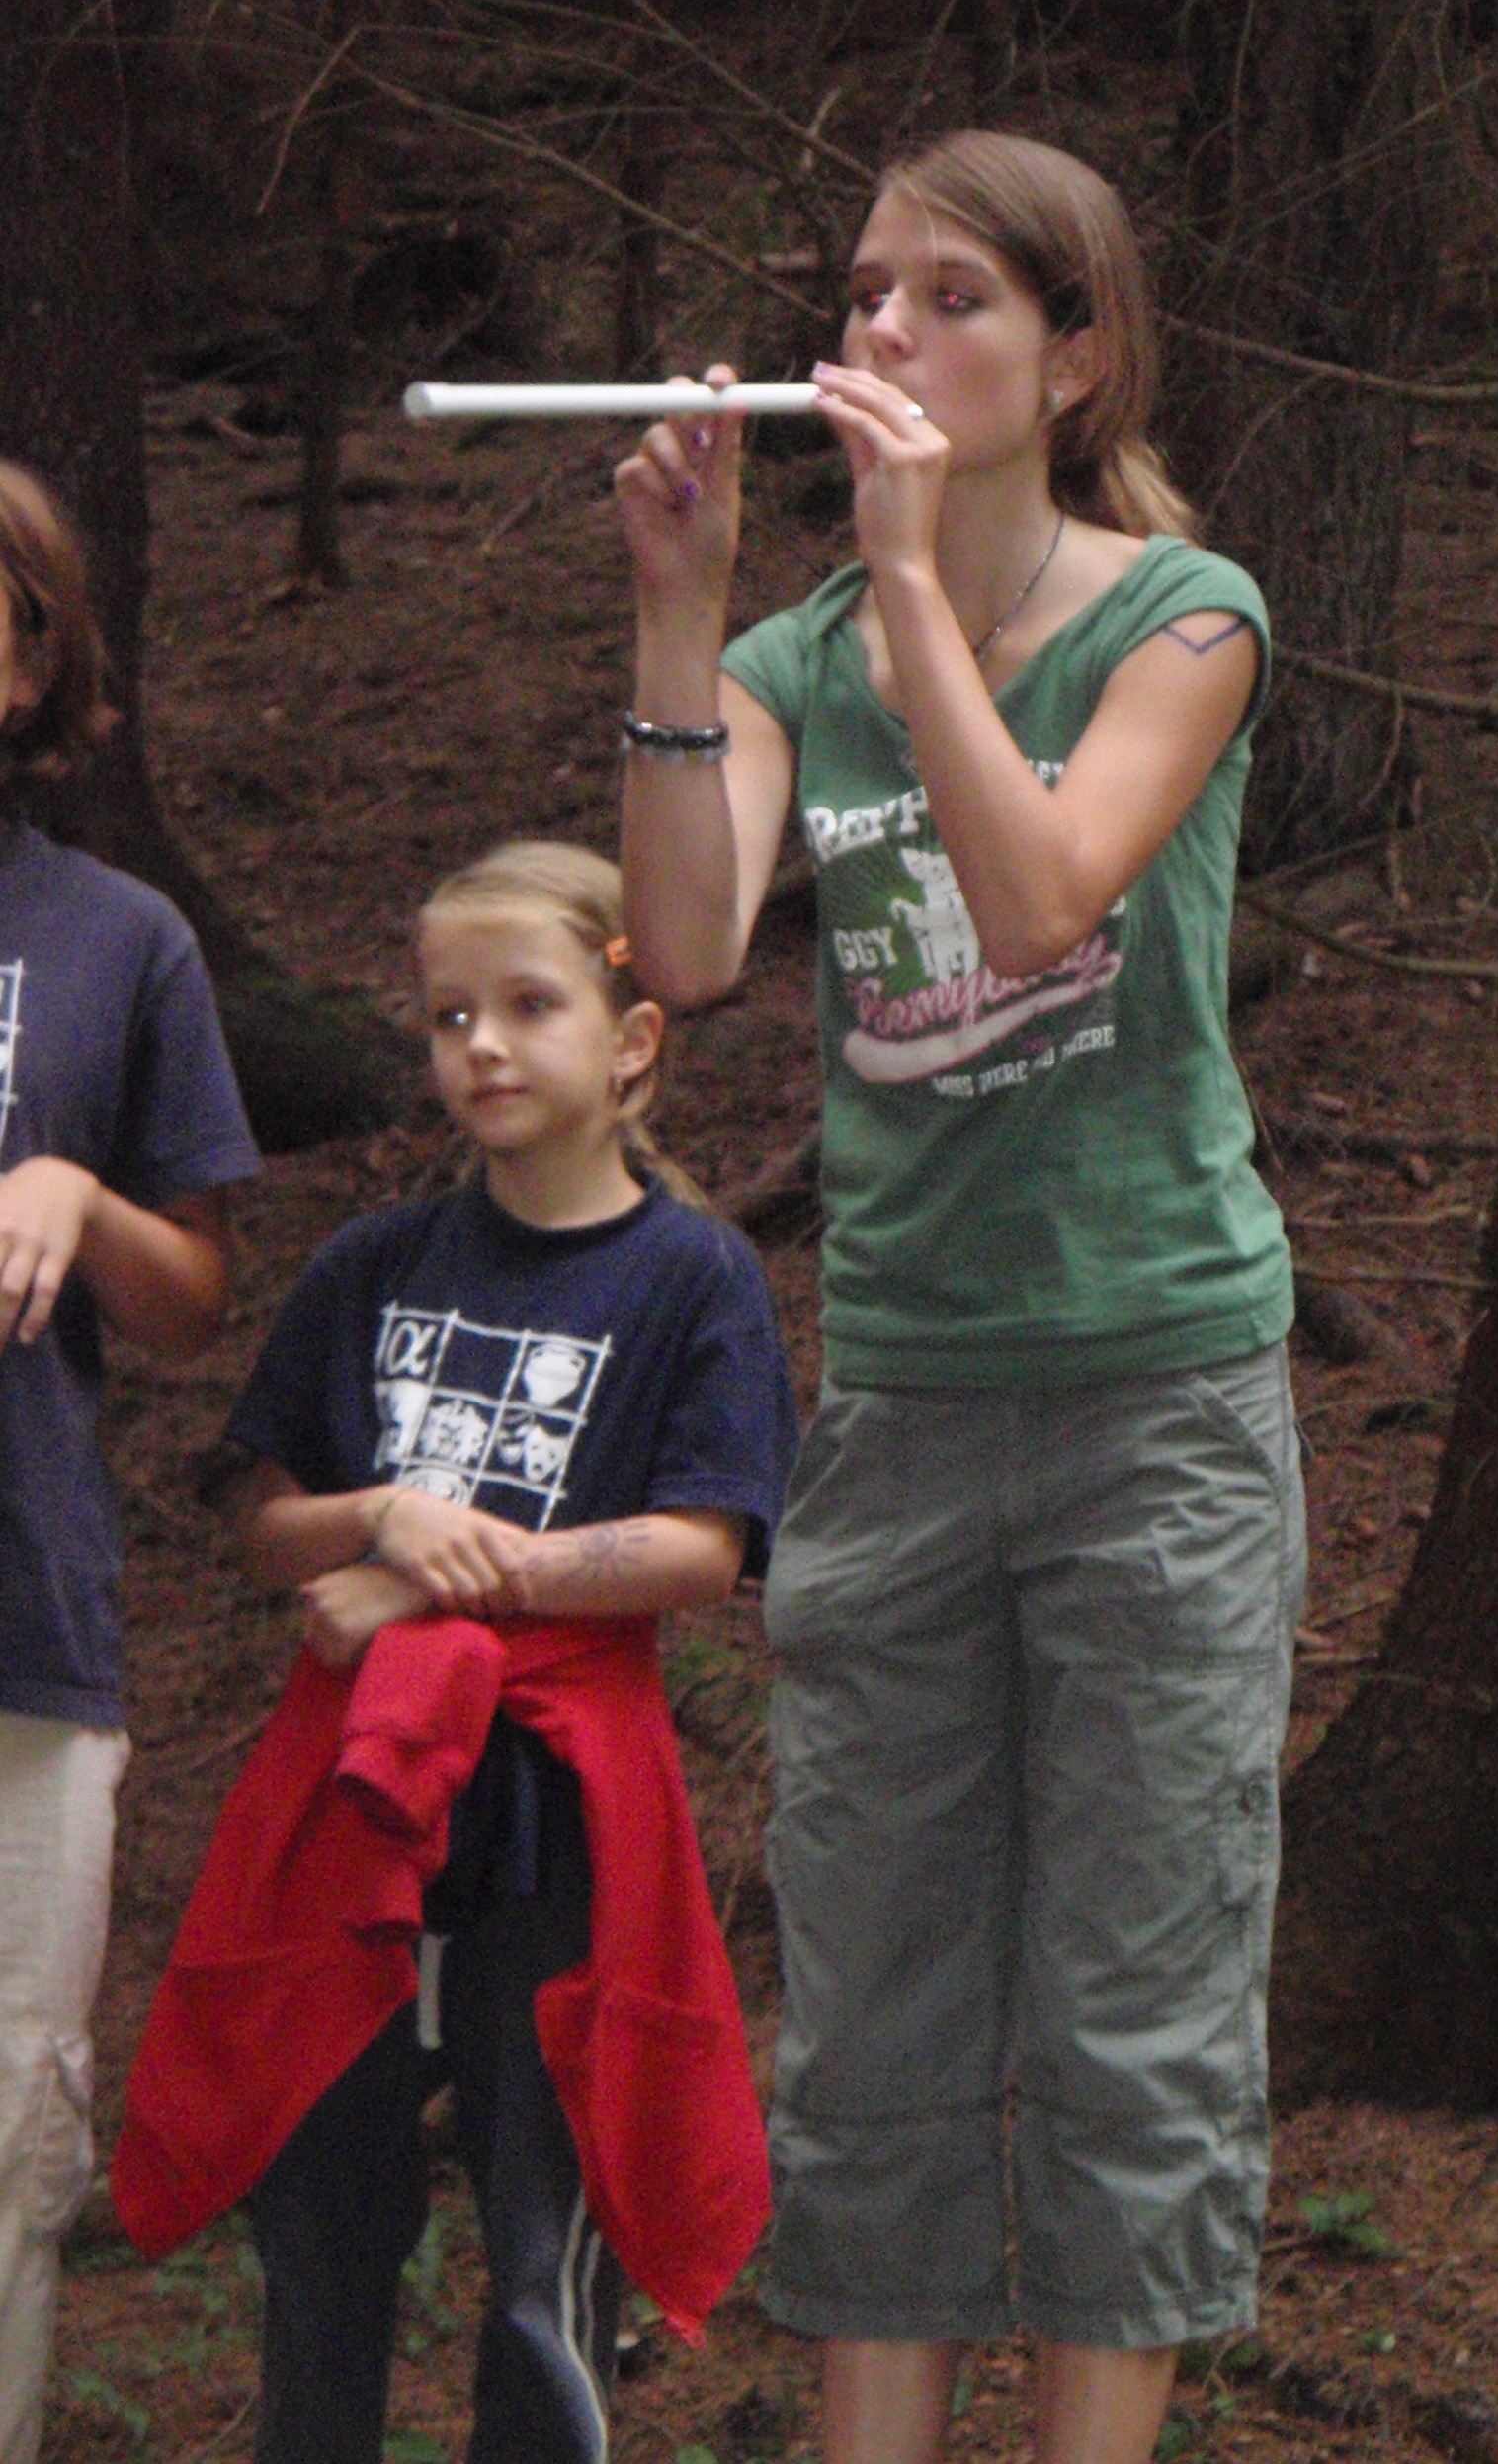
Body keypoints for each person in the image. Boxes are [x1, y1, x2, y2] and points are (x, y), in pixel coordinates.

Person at [611, 130, 1307, 2464]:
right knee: (879, 2026)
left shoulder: (1185, 616)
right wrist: (681, 616)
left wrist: (907, 577)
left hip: (1159, 1410)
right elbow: (686, 948)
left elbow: (1038, 899)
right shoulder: (798, 656)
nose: (884, 330)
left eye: (953, 297)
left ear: (1076, 356)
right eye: (864, 291)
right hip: (901, 1414)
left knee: (1133, 2022)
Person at [110, 841, 798, 2464]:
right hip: (354, 1805)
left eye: (529, 1006)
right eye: (447, 1016)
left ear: (630, 1042)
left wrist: (440, 1589)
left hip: (559, 1826)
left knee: (542, 2244)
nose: (482, 1044)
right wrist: (379, 1517)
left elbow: (703, 1550)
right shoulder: (372, 1266)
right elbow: (269, 1526)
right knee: (321, 2219)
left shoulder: (693, 1276)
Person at [0, 460, 259, 2464]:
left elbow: (194, 1302)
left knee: (14, 2124)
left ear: (31, 659)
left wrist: (79, 1197)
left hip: (25, 1623)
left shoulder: (117, 937)